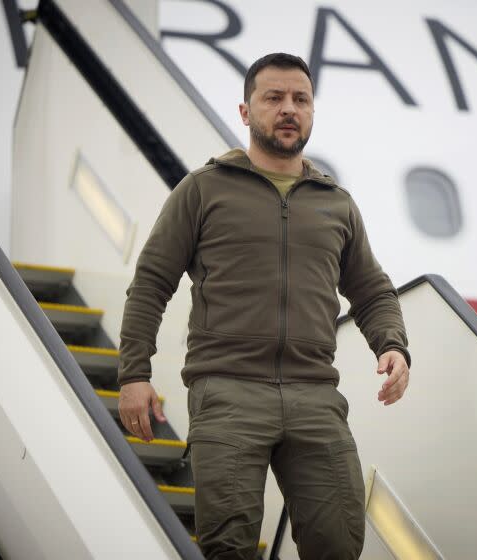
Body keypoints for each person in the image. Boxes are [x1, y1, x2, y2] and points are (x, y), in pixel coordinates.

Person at [117, 52, 411, 559]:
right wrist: (133, 374)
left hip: (315, 395)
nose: (288, 109)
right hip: (227, 391)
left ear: (313, 112)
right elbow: (151, 283)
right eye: (273, 98)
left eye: (300, 99)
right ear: (246, 111)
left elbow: (371, 290)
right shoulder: (203, 190)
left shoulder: (335, 202)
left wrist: (394, 346)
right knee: (228, 547)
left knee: (338, 543)